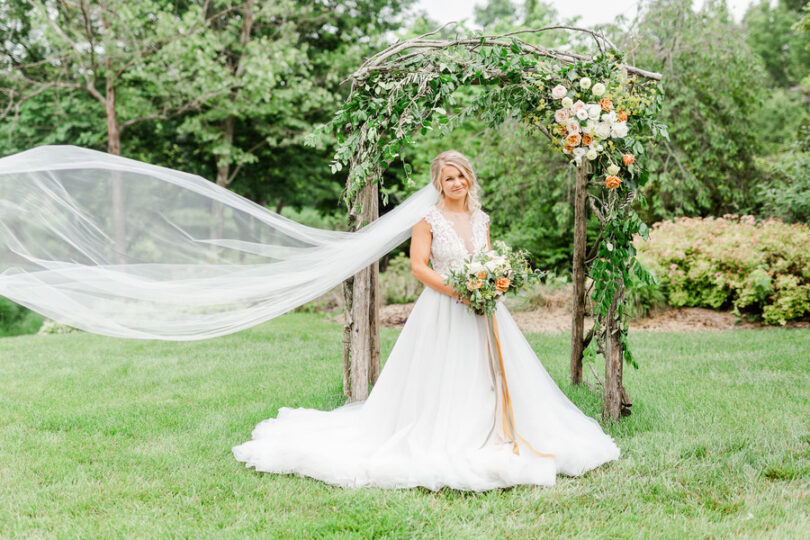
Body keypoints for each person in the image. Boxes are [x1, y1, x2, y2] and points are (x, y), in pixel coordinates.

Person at [232, 150, 620, 491]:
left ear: (470, 178)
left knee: (493, 372)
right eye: (447, 178)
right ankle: (448, 431)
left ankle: (502, 428)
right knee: (445, 373)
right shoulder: (427, 219)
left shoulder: (480, 217)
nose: (456, 183)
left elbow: (484, 259)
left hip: (485, 308)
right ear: (438, 184)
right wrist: (461, 291)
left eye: (461, 175)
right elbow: (419, 267)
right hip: (444, 308)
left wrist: (493, 281)